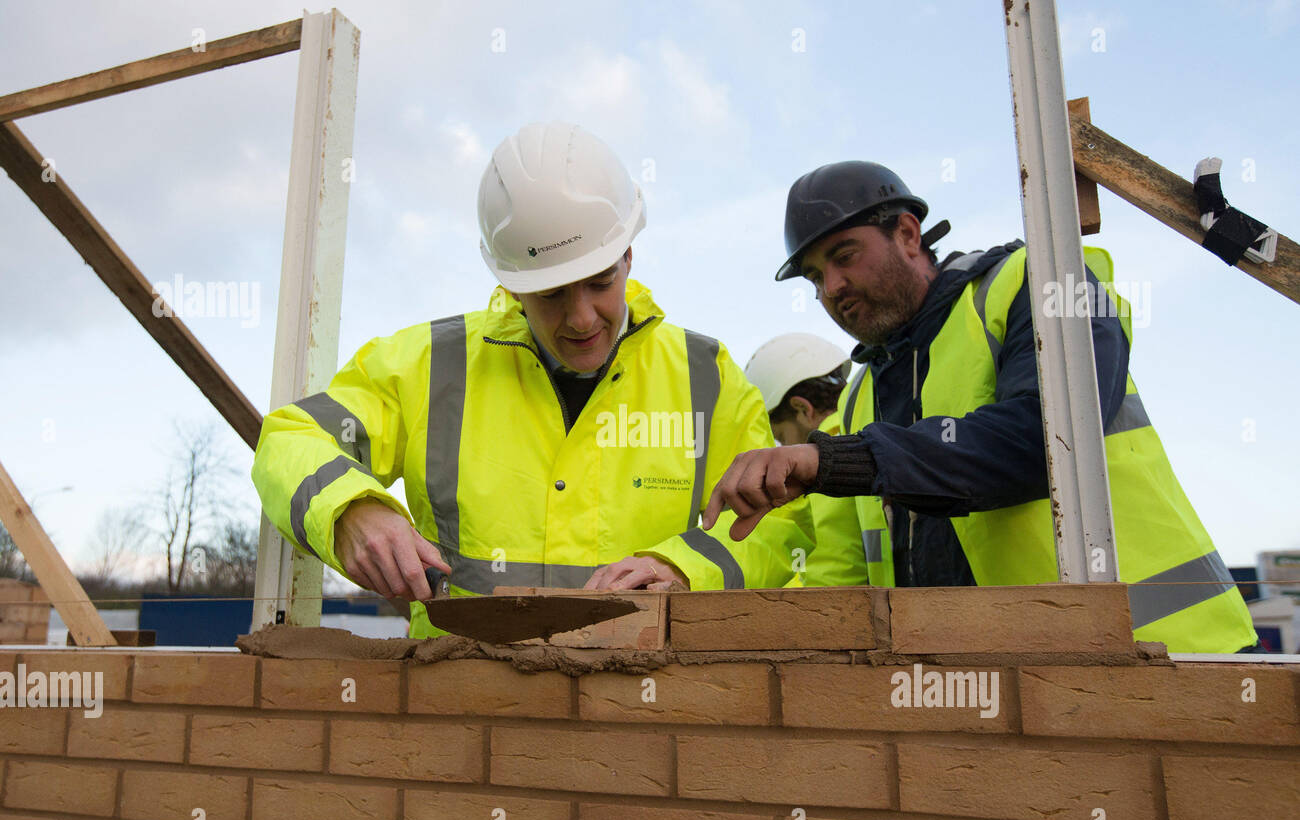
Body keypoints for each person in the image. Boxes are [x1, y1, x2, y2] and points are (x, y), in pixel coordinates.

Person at [252, 122, 811, 638]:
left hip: (640, 706)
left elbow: (779, 522)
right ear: (513, 288)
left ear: (628, 257)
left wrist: (683, 570)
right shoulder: (428, 364)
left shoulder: (705, 377)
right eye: (551, 295)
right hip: (459, 702)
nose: (582, 318)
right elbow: (288, 438)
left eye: (598, 282)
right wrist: (351, 509)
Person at [703, 160, 1255, 654]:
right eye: (815, 277)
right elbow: (840, 578)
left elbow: (1049, 439)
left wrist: (835, 462)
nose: (832, 287)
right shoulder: (855, 404)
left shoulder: (1032, 285)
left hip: (1174, 656)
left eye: (844, 256)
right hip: (1011, 701)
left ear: (908, 233)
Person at [745, 334, 861, 586]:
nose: (784, 450)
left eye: (782, 436)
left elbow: (830, 574)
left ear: (802, 409)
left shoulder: (822, 469)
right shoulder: (873, 437)